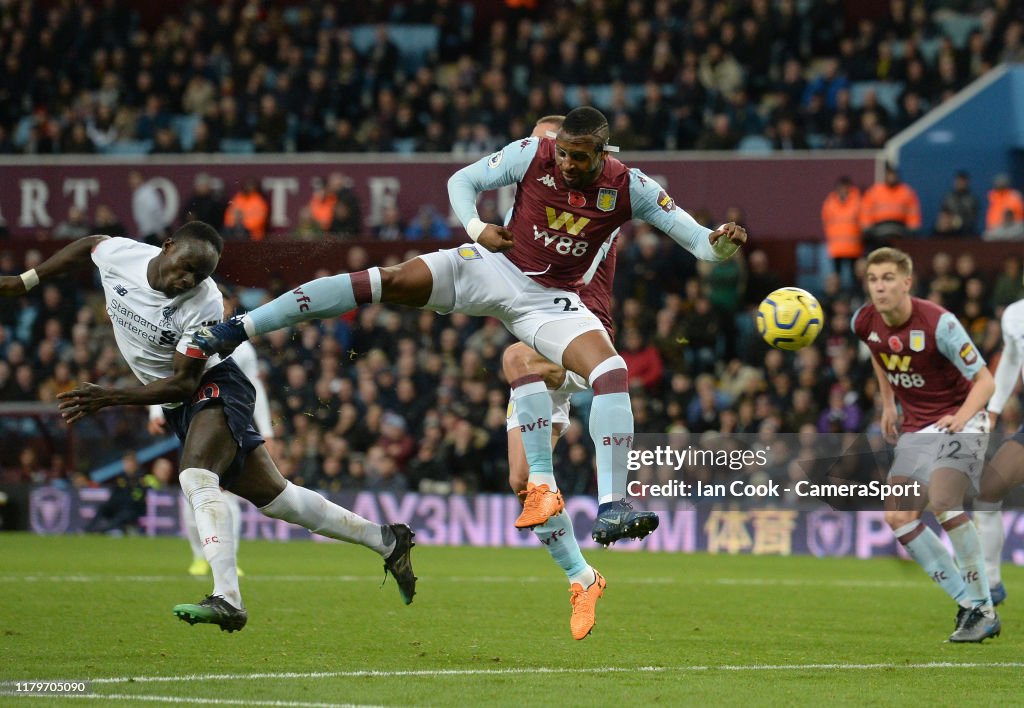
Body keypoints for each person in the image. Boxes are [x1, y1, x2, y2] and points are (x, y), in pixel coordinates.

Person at [192, 106, 747, 547]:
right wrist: (477, 225)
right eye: (566, 154)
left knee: (611, 370)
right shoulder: (534, 152)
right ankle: (240, 327)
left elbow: (699, 243)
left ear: (602, 152)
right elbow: (462, 181)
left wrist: (719, 244)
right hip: (494, 266)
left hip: (553, 302)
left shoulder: (632, 187)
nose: (569, 165)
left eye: (581, 157)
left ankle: (611, 506)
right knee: (380, 280)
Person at [0, 223, 416, 632]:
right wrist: (25, 280)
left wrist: (110, 396)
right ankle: (385, 539)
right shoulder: (120, 257)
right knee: (280, 499)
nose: (189, 279)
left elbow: (183, 381)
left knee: (196, 475)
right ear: (166, 246)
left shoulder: (204, 301)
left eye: (200, 274)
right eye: (186, 267)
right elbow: (90, 245)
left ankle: (227, 598)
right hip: (181, 405)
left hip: (214, 386)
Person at [500, 114, 615, 640]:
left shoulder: (589, 210)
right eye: (543, 146)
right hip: (540, 342)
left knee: (517, 360)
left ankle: (593, 535)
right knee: (522, 481)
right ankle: (583, 577)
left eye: (556, 148)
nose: (550, 158)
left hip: (575, 331)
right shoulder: (526, 203)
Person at [852, 247, 998, 643]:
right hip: (917, 426)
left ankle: (983, 608)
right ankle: (970, 604)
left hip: (962, 416)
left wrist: (963, 417)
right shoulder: (864, 321)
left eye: (887, 279)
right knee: (899, 518)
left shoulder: (940, 324)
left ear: (906, 282)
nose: (879, 287)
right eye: (873, 279)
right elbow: (879, 355)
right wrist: (888, 404)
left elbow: (986, 381)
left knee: (945, 499)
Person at [149, 292, 275, 577]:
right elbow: (162, 375)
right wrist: (155, 413)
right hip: (188, 419)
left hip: (228, 421)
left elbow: (256, 389)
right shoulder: (183, 336)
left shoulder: (241, 349)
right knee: (194, 490)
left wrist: (267, 431)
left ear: (229, 310)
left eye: (224, 305)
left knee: (226, 493)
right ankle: (198, 556)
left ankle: (229, 557)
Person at [973, 296, 1024, 609]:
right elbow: (1010, 360)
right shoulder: (1015, 315)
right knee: (988, 491)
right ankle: (991, 582)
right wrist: (992, 411)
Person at [859, 164, 922, 247]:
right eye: (889, 174)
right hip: (878, 233)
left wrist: (912, 230)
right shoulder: (874, 192)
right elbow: (866, 212)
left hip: (900, 232)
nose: (891, 177)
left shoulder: (906, 192)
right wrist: (867, 229)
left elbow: (913, 214)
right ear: (885, 175)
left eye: (893, 175)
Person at [820, 176, 862, 289]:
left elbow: (863, 222)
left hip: (854, 248)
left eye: (845, 187)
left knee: (855, 279)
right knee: (835, 279)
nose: (843, 190)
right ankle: (837, 302)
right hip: (836, 249)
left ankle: (854, 300)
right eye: (841, 187)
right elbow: (825, 221)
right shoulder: (830, 203)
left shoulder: (857, 202)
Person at [940, 170, 980, 236]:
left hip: (965, 229)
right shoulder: (948, 198)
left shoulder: (972, 199)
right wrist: (948, 221)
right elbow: (944, 213)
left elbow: (973, 218)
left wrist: (959, 222)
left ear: (967, 182)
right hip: (949, 228)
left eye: (962, 181)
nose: (960, 183)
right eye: (958, 181)